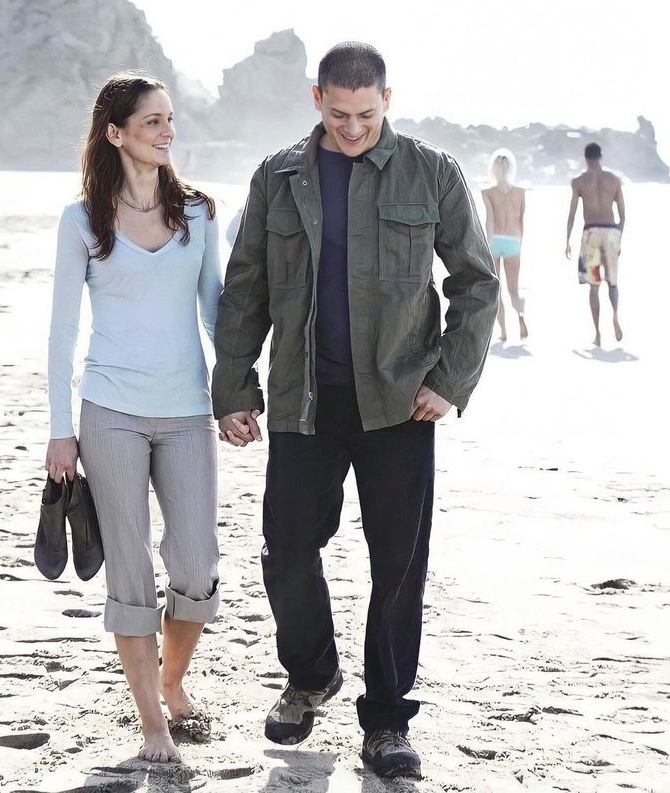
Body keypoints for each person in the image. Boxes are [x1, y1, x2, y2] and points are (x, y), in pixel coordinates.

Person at [212, 42, 498, 780]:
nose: (351, 127)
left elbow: (475, 282)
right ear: (316, 99)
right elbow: (243, 288)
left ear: (386, 99)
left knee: (397, 563)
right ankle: (311, 675)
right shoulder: (278, 176)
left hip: (401, 403)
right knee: (286, 549)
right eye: (338, 113)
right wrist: (234, 386)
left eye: (365, 114)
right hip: (302, 401)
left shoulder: (431, 172)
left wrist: (449, 379)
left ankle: (387, 721)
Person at [44, 73, 222, 763]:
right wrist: (62, 428)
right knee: (130, 570)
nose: (165, 131)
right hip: (109, 409)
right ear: (115, 132)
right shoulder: (80, 220)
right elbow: (62, 331)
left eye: (168, 119)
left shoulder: (200, 213)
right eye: (150, 122)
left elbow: (216, 310)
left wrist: (238, 391)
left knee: (194, 562)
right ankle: (154, 723)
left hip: (185, 409)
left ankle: (171, 680)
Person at [566, 142, 625, 346]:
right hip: (610, 232)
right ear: (601, 157)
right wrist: (619, 238)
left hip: (590, 233)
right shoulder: (614, 180)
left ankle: (598, 334)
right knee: (613, 282)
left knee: (593, 285)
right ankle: (615, 315)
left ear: (586, 158)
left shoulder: (579, 182)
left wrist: (567, 241)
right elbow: (623, 215)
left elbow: (572, 214)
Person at [482, 149, 528, 342]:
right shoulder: (520, 192)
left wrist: (488, 243)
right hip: (513, 243)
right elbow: (521, 222)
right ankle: (521, 317)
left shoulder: (487, 192)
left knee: (497, 289)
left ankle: (503, 332)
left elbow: (489, 221)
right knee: (513, 289)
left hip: (495, 242)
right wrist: (519, 244)